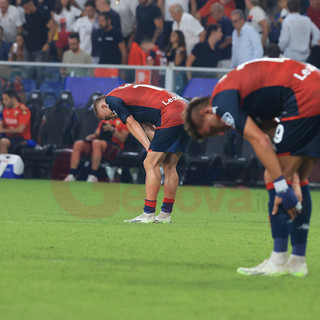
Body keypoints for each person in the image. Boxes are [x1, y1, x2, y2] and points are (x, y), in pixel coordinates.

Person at [183, 58, 320, 276]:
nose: (221, 133)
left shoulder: (221, 101)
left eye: (211, 130)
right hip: (313, 85)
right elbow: (271, 132)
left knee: (271, 176)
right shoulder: (247, 99)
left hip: (303, 94)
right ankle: (297, 261)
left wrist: (281, 186)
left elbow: (261, 142)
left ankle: (277, 260)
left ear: (206, 112)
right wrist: (289, 178)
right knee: (299, 178)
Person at [93, 84, 190, 224]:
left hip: (171, 113)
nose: (112, 120)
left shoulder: (111, 100)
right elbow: (147, 127)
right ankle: (165, 214)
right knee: (169, 165)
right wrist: (155, 147)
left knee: (149, 163)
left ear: (103, 106)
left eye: (106, 118)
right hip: (186, 111)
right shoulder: (127, 96)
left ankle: (148, 213)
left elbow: (131, 124)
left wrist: (149, 149)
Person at [64, 118, 129, 183]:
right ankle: (72, 174)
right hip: (100, 145)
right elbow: (97, 134)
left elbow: (123, 138)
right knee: (78, 144)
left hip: (115, 148)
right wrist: (92, 136)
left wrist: (112, 129)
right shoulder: (105, 120)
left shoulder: (124, 120)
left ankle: (93, 175)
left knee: (96, 143)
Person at [0, 88, 31, 154]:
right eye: (3, 100)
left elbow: (20, 130)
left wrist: (3, 130)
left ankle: (3, 163)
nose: (4, 102)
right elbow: (3, 124)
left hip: (21, 138)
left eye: (6, 100)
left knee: (3, 142)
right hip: (8, 136)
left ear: (13, 99)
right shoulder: (6, 109)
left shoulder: (23, 110)